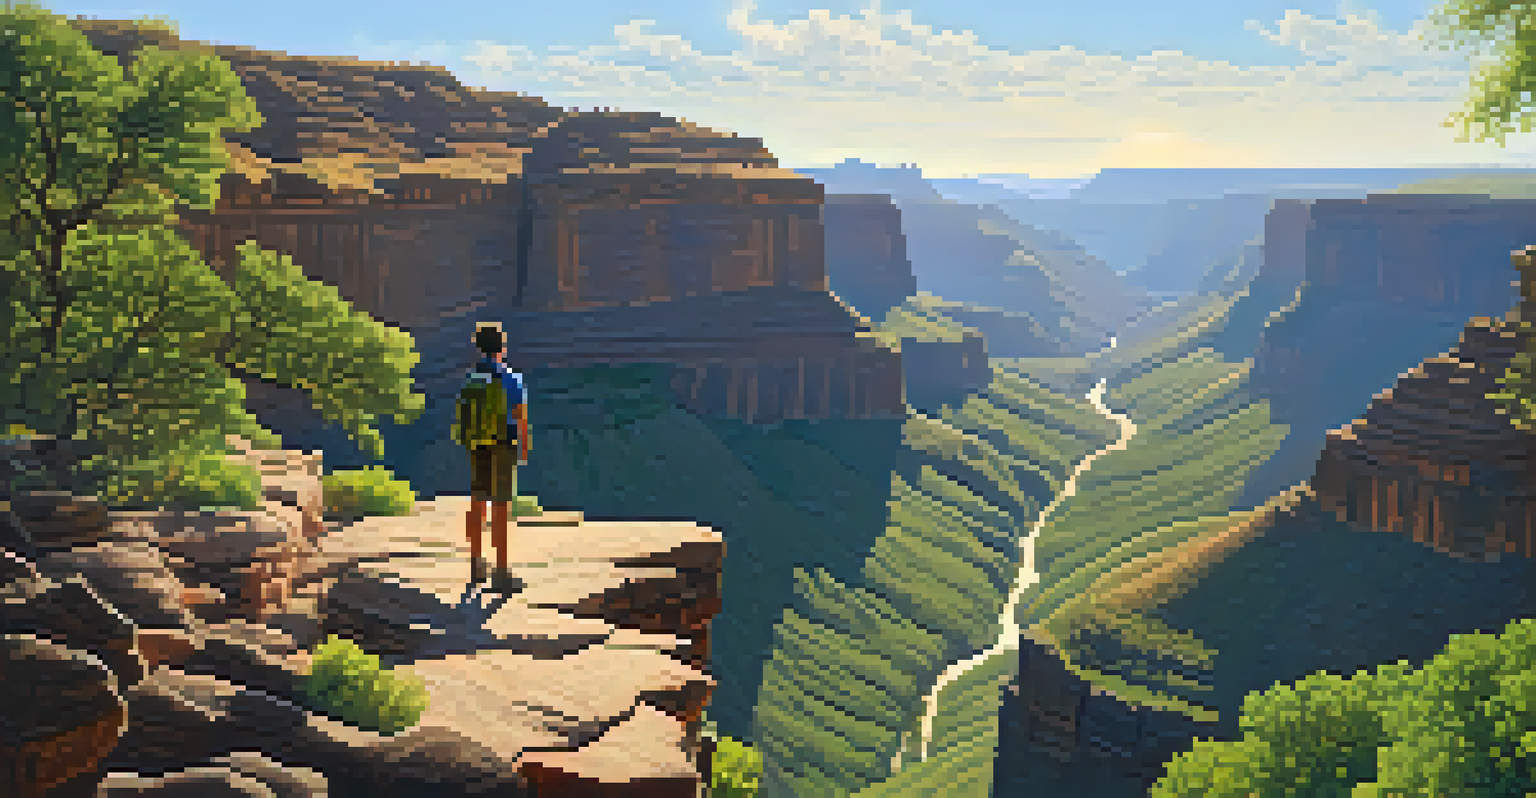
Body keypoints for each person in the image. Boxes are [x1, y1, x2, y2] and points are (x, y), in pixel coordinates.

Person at [455, 322, 530, 592]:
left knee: (477, 502)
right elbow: (520, 417)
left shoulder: (471, 379)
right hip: (503, 444)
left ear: (478, 347)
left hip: (478, 444)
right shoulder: (510, 378)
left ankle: (476, 564)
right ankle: (501, 572)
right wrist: (524, 447)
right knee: (500, 505)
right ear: (502, 347)